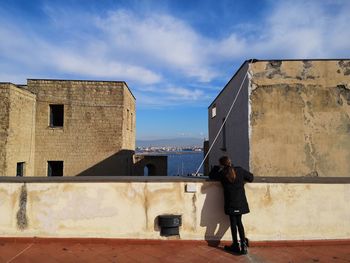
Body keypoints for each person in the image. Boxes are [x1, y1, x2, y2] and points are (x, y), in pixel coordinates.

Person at [208, 156, 254, 255]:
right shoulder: (240, 170)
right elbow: (251, 177)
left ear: (222, 164)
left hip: (230, 202)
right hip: (240, 202)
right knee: (239, 223)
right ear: (230, 162)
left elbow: (211, 176)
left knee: (233, 223)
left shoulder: (222, 174)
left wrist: (217, 167)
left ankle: (235, 245)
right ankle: (243, 246)